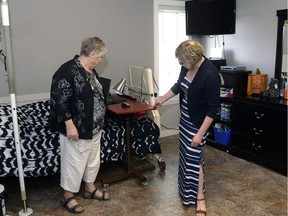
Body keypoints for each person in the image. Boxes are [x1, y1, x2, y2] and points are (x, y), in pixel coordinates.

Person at [154, 39, 220, 216]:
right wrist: (162, 98)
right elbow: (179, 85)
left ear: (192, 58)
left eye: (182, 61)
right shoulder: (187, 66)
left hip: (199, 124)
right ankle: (186, 192)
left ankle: (199, 198)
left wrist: (200, 134)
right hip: (185, 120)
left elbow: (214, 109)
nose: (180, 64)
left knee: (195, 160)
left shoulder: (210, 74)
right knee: (186, 157)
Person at [50, 36, 110, 214]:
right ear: (92, 54)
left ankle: (89, 188)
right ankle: (68, 195)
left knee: (92, 160)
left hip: (94, 127)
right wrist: (69, 125)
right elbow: (58, 101)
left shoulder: (90, 70)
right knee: (74, 162)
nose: (102, 60)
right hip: (77, 126)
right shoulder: (67, 71)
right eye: (100, 57)